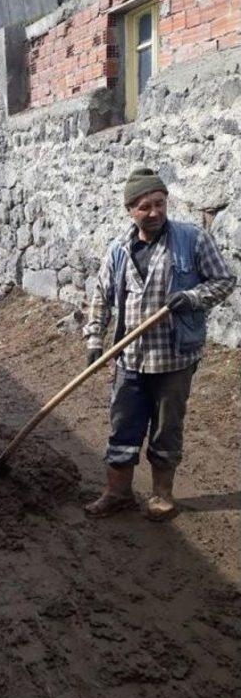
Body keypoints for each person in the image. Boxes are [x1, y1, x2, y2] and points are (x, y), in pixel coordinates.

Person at [83, 167, 236, 520]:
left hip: (174, 359)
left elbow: (225, 280)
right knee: (123, 427)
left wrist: (194, 296)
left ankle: (161, 495)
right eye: (144, 207)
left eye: (159, 204)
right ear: (130, 210)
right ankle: (117, 493)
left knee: (167, 430)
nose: (154, 212)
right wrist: (94, 340)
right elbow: (100, 298)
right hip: (130, 359)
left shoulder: (192, 239)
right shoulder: (119, 250)